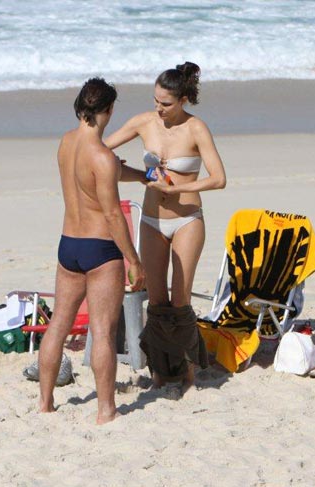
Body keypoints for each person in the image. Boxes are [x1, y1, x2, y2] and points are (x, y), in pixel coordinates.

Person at [104, 62, 226, 393]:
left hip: (187, 219)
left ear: (184, 99)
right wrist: (115, 168)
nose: (159, 109)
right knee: (156, 300)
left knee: (180, 300)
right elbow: (102, 148)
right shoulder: (145, 122)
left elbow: (219, 178)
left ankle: (186, 371)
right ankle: (160, 372)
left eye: (166, 104)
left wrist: (177, 189)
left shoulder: (197, 128)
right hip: (152, 221)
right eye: (156, 100)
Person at [37, 77, 145, 425]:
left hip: (68, 244)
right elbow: (113, 214)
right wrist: (133, 258)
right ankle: (106, 409)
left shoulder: (66, 143)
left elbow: (100, 173)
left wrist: (141, 176)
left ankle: (44, 402)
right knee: (102, 329)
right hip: (100, 248)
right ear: (109, 110)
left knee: (58, 325)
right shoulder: (104, 157)